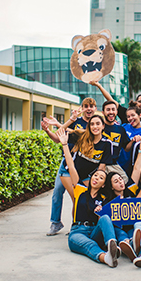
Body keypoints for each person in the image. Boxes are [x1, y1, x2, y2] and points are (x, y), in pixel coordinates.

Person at [56, 127, 119, 267]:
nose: (97, 178)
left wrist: (100, 212)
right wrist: (65, 144)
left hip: (95, 231)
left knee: (105, 218)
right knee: (88, 245)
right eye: (95, 175)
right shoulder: (79, 190)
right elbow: (71, 167)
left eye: (101, 177)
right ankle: (106, 257)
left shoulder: (104, 197)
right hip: (78, 231)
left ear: (104, 184)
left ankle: (111, 244)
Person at [41, 98, 98, 236]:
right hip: (67, 163)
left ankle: (76, 224)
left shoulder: (95, 124)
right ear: (82, 107)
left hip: (82, 165)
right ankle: (56, 223)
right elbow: (58, 137)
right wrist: (49, 130)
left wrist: (59, 123)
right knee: (57, 193)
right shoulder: (75, 120)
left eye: (91, 106)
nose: (88, 109)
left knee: (77, 197)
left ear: (95, 108)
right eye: (85, 106)